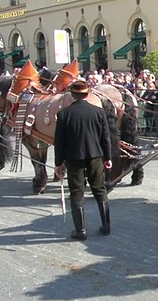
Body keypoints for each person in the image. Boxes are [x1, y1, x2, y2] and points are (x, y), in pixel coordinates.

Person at [54, 80, 113, 241]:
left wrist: (58, 163)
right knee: (99, 190)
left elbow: (59, 142)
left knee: (77, 193)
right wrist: (108, 157)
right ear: (87, 94)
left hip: (73, 157)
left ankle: (80, 231)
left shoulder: (63, 114)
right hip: (95, 156)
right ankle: (106, 225)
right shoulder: (98, 112)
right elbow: (105, 137)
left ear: (72, 94)